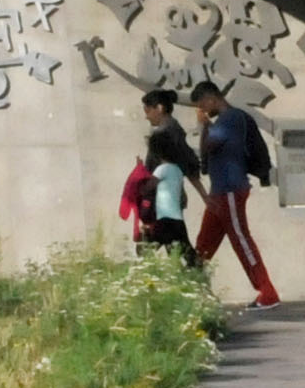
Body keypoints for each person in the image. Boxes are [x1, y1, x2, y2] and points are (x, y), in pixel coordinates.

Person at [187, 79, 282, 307]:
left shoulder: (230, 118)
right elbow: (207, 152)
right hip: (220, 191)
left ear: (211, 98)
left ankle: (267, 293)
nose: (202, 110)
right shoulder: (225, 120)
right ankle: (189, 289)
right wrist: (206, 127)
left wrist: (203, 126)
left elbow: (208, 147)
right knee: (204, 243)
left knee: (241, 240)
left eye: (202, 105)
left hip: (230, 189)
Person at [120, 84, 201, 267]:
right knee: (175, 246)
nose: (146, 116)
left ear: (160, 108)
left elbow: (186, 163)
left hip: (161, 201)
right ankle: (189, 272)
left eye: (148, 111)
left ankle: (187, 271)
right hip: (167, 200)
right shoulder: (171, 129)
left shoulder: (166, 133)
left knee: (156, 245)